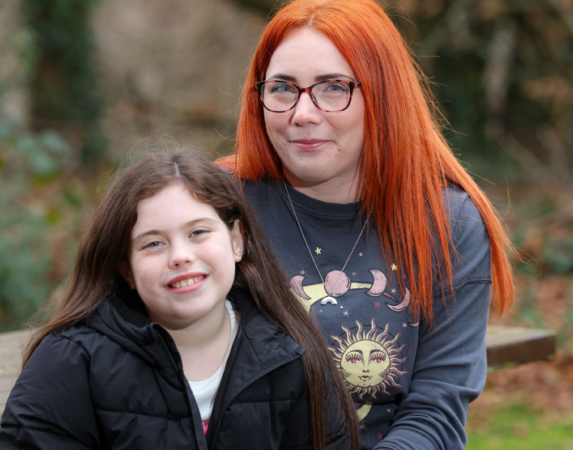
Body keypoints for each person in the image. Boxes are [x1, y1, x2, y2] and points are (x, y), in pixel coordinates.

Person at [216, 0, 515, 448]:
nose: (302, 113)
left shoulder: (446, 224)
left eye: (333, 87)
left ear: (383, 94)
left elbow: (436, 412)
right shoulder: (216, 206)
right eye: (282, 88)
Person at [0, 151, 360, 450]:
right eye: (153, 243)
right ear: (126, 269)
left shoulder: (290, 356)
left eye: (198, 232)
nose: (180, 256)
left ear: (237, 240)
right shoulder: (70, 363)